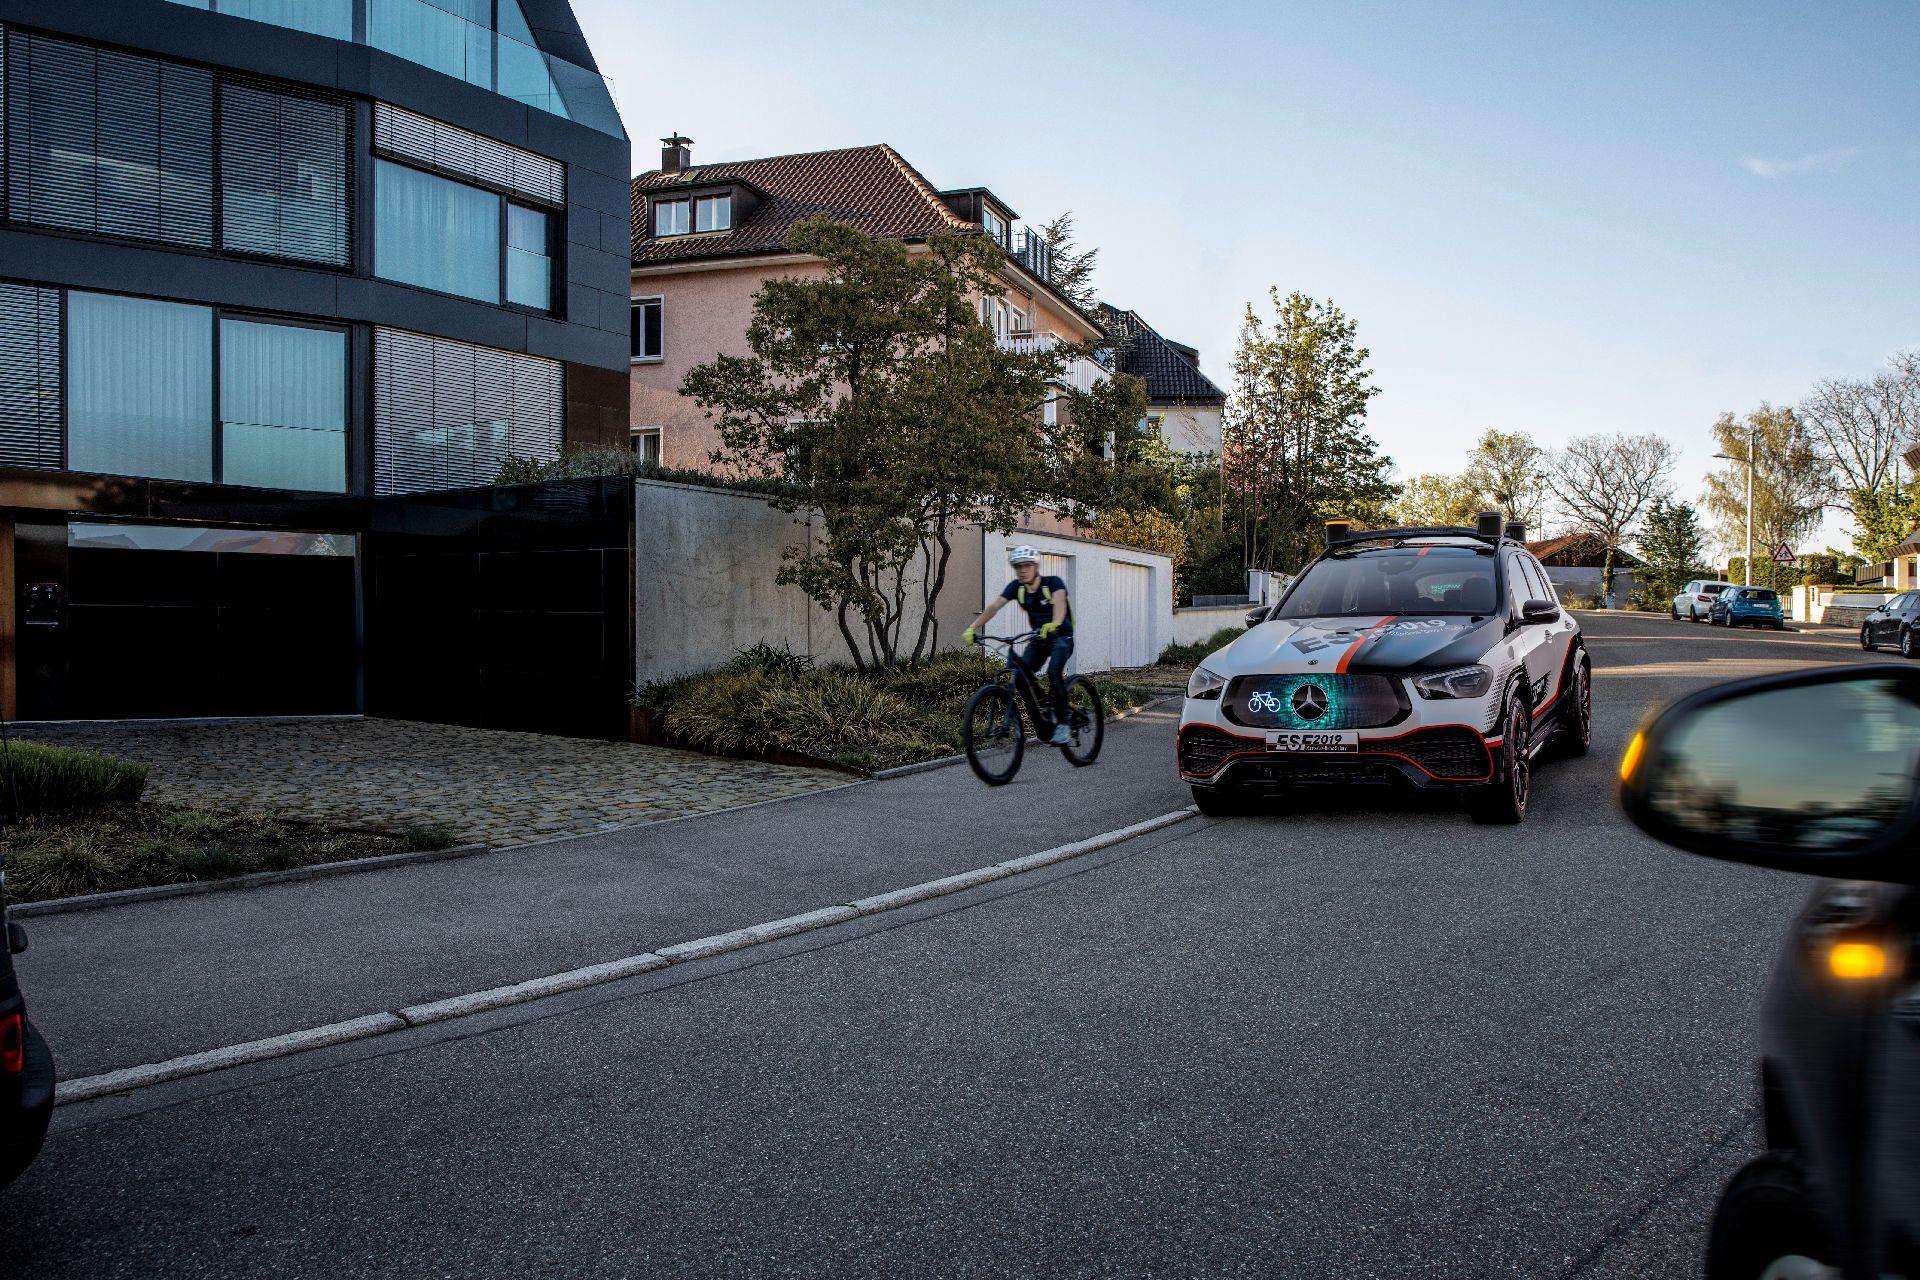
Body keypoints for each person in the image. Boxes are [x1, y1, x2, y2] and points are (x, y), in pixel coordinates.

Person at [962, 545, 1076, 745]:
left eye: (1026, 565)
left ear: (1035, 567)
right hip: (1038, 639)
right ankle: (1042, 712)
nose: (1022, 570)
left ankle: (1065, 724)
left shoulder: (1053, 583)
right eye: (1018, 567)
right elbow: (994, 607)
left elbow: (1060, 605)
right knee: (1019, 673)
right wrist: (973, 628)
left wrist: (1055, 623)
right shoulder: (1017, 588)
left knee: (1053, 672)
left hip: (1062, 637)